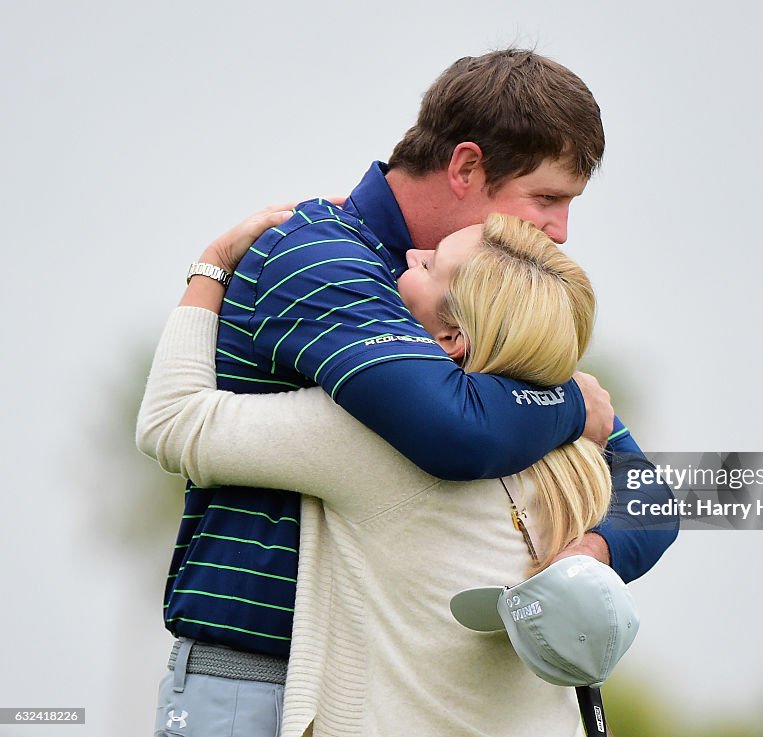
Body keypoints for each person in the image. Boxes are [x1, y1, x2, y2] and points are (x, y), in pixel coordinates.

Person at [144, 49, 677, 736]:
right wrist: (575, 405)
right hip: (258, 677)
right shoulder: (327, 258)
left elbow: (650, 494)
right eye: (547, 197)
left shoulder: (482, 292)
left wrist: (588, 554)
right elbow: (455, 432)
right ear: (464, 167)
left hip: (385, 689)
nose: (561, 229)